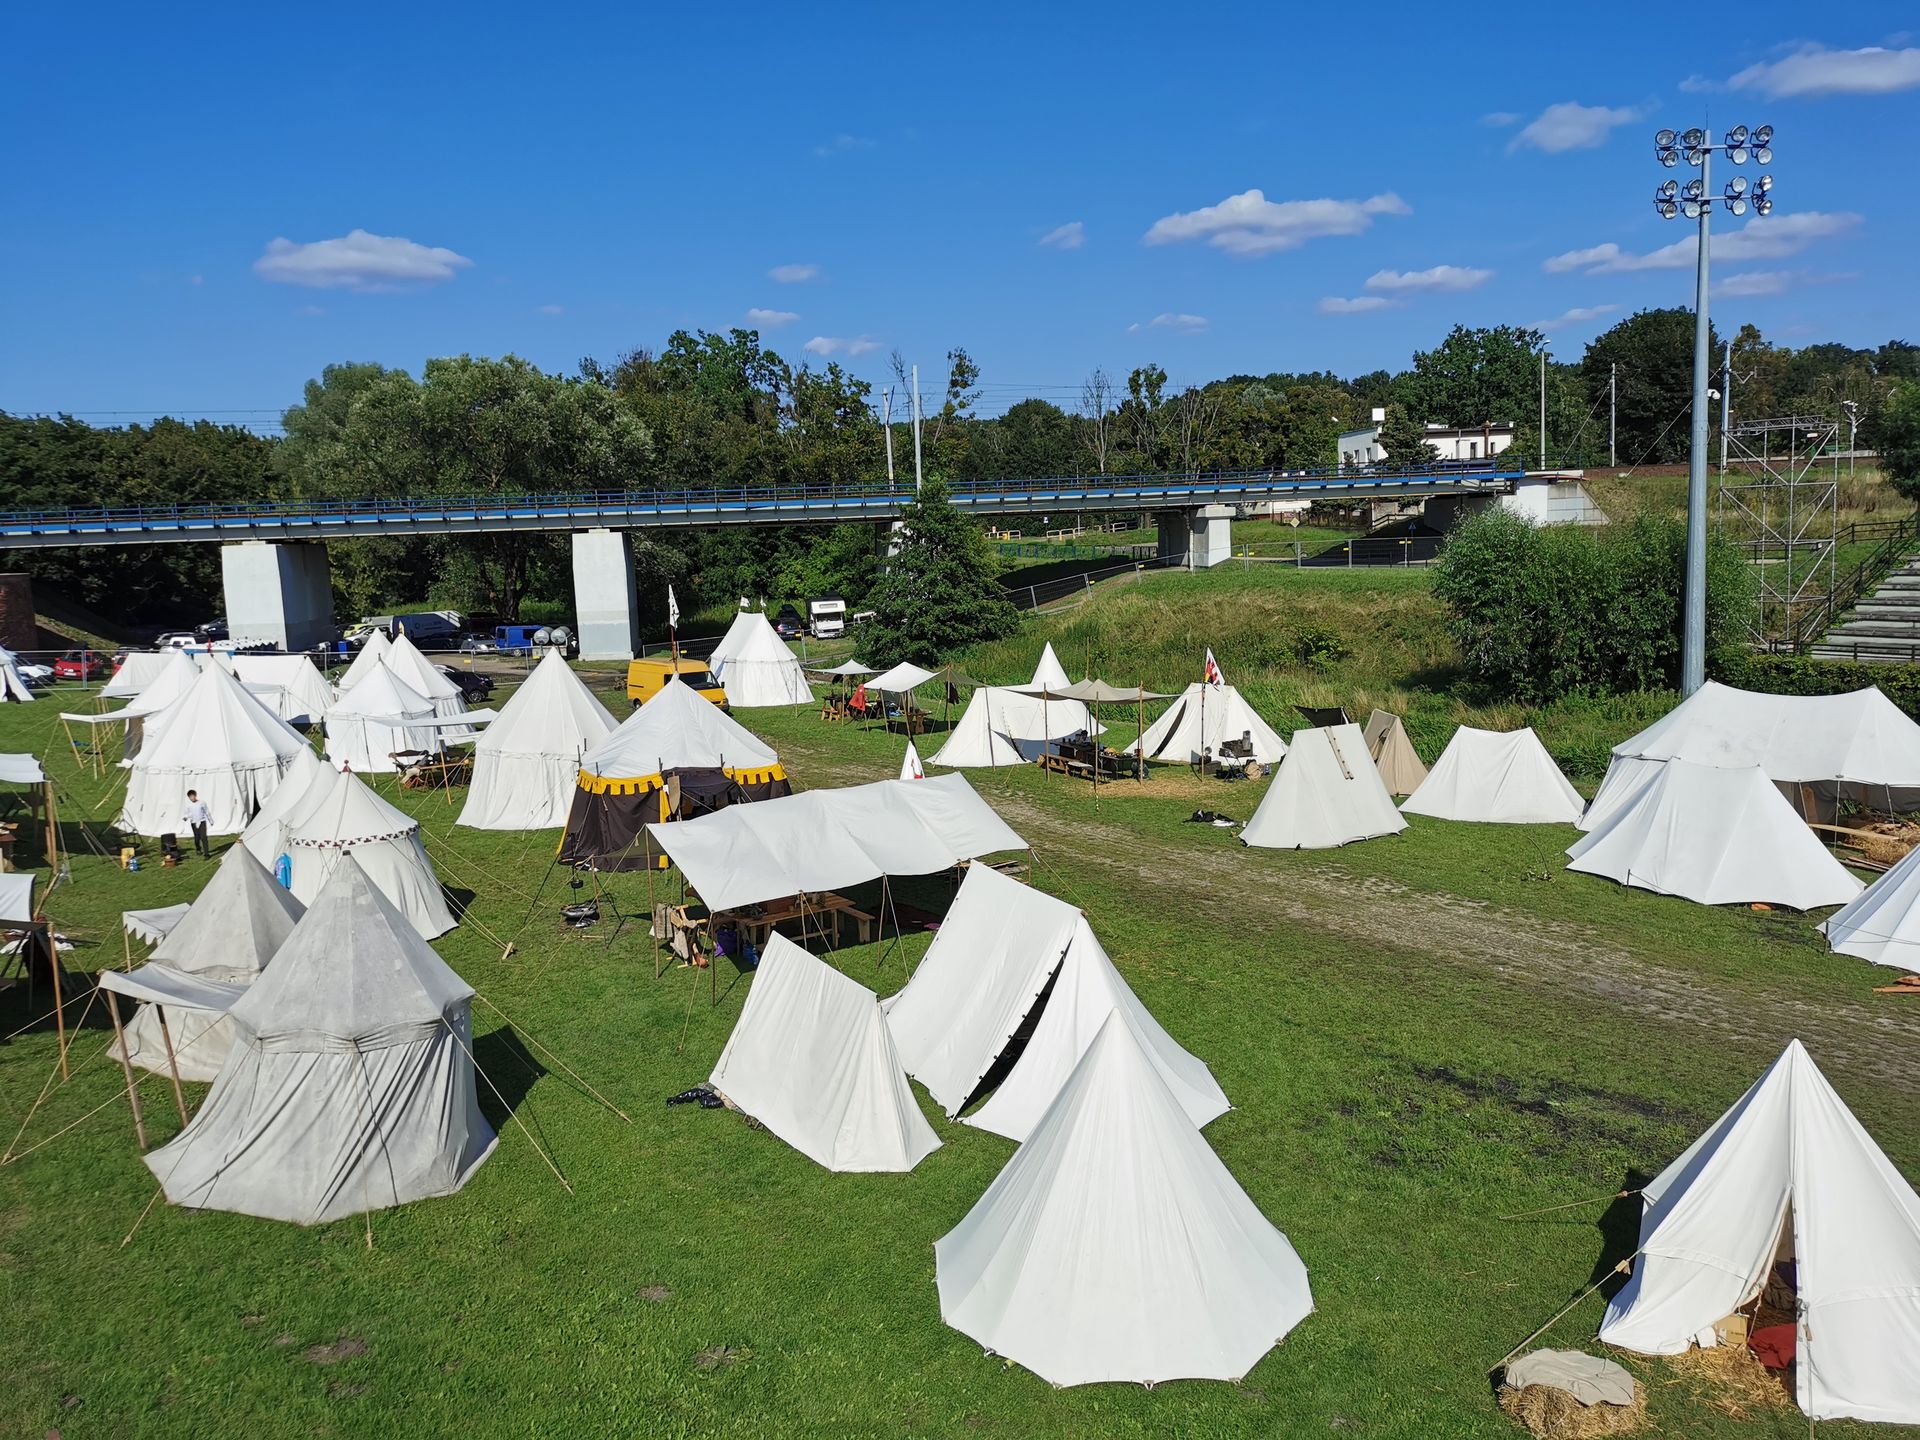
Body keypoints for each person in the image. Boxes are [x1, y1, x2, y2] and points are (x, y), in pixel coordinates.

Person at [182, 789, 212, 860]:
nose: (192, 798)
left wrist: (211, 821)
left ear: (195, 795)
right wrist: (185, 817)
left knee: (203, 837)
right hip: (194, 823)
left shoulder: (202, 803)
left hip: (202, 822)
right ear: (189, 797)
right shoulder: (188, 805)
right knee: (197, 838)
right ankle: (198, 849)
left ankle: (206, 854)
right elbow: (187, 813)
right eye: (190, 797)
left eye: (192, 796)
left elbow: (206, 811)